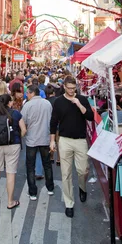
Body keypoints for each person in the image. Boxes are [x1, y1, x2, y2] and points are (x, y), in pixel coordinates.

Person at [50, 76, 94, 218]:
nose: (71, 91)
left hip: (80, 140)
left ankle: (82, 186)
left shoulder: (82, 99)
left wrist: (79, 105)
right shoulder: (58, 102)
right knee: (66, 173)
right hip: (64, 140)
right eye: (69, 88)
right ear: (64, 87)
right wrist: (52, 141)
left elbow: (90, 117)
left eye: (73, 88)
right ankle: (69, 203)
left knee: (83, 170)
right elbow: (53, 122)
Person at [0, 94, 26, 209]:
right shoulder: (16, 114)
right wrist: (18, 138)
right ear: (9, 103)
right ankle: (10, 201)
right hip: (13, 145)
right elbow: (23, 130)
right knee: (10, 172)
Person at [21, 85, 54, 200]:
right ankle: (50, 188)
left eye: (27, 93)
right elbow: (51, 119)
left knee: (30, 166)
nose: (26, 95)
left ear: (31, 93)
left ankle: (32, 192)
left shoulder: (27, 105)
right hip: (44, 137)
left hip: (31, 139)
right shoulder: (47, 104)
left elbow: (23, 121)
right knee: (47, 164)